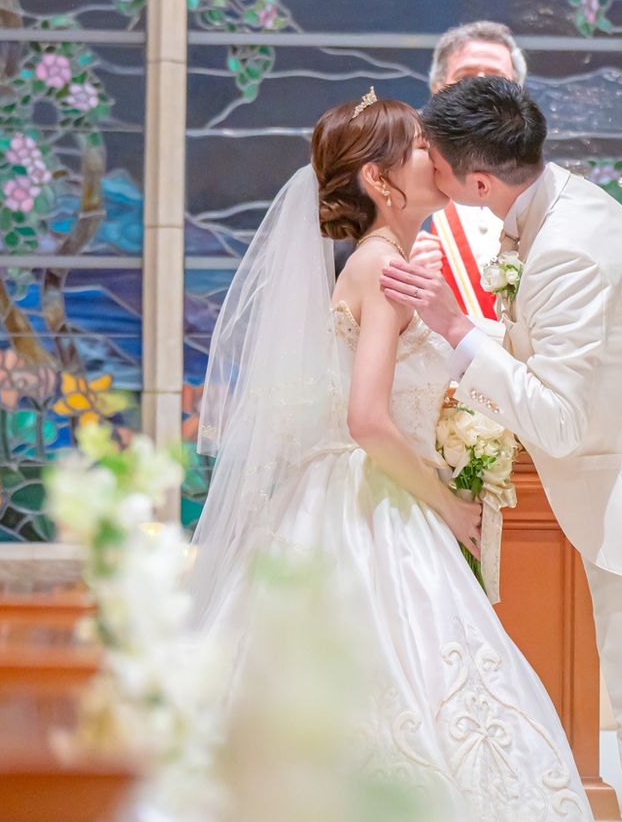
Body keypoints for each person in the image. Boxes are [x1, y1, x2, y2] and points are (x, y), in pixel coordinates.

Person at [188, 91, 591, 822]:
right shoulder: (383, 269)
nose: (434, 157)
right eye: (419, 148)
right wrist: (449, 506)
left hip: (349, 495)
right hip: (372, 505)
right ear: (379, 180)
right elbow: (368, 420)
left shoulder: (383, 262)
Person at [381, 77, 622, 822]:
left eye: (437, 163)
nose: (429, 172)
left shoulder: (566, 250)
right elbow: (549, 353)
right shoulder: (567, 203)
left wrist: (454, 330)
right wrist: (452, 334)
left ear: (478, 183)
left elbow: (558, 422)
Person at [410, 22, 527, 320]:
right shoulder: (404, 173)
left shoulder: (539, 181)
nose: (481, 89)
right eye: (466, 76)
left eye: (496, 77)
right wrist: (399, 263)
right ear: (437, 89)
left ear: (519, 92)